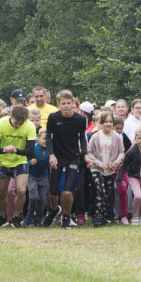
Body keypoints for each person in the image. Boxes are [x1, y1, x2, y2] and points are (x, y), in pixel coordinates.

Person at [0, 104, 36, 228]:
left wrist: (16, 150)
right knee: (1, 192)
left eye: (21, 123)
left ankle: (16, 216)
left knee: (21, 190)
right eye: (16, 122)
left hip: (20, 161)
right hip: (3, 161)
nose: (18, 125)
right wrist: (5, 149)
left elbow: (30, 151)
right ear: (11, 116)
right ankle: (3, 217)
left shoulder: (29, 126)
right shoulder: (0, 124)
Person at [45, 90, 87, 229]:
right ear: (58, 104)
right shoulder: (53, 118)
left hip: (72, 158)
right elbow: (48, 137)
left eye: (69, 103)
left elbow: (82, 138)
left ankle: (66, 218)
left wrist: (85, 154)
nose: (67, 106)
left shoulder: (80, 119)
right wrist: (51, 154)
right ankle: (53, 211)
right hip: (57, 157)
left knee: (67, 192)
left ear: (73, 104)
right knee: (52, 193)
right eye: (64, 103)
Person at [85, 110, 124, 227]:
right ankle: (97, 216)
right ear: (101, 123)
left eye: (110, 122)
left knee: (108, 193)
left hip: (110, 169)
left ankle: (108, 216)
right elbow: (89, 152)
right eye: (105, 121)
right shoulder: (95, 136)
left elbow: (121, 152)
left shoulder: (117, 137)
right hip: (97, 169)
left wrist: (116, 162)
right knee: (99, 191)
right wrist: (98, 163)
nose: (108, 124)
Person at [24, 127, 51, 227]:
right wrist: (30, 162)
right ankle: (29, 215)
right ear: (38, 139)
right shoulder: (34, 148)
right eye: (44, 138)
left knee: (43, 199)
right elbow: (24, 161)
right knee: (34, 197)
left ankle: (39, 218)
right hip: (32, 176)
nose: (46, 141)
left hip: (44, 176)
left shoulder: (50, 150)